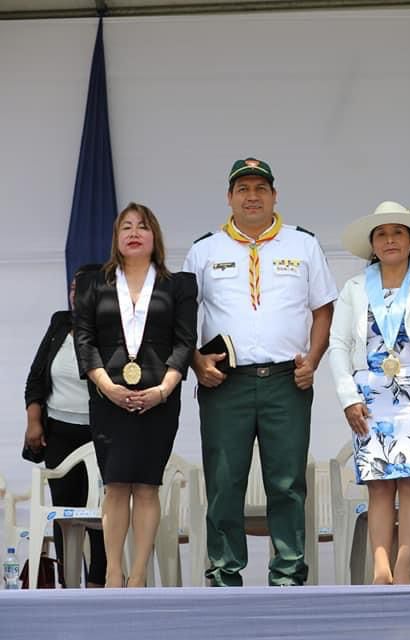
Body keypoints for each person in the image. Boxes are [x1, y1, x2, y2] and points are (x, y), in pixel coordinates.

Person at [183, 157, 338, 587]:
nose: (252, 197)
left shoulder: (302, 245)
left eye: (260, 189)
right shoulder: (204, 250)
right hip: (224, 384)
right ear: (229, 197)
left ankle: (288, 575)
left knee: (287, 483)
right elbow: (181, 317)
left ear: (274, 195)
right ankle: (223, 574)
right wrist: (196, 361)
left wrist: (313, 359)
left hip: (286, 381)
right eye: (243, 189)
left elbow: (324, 308)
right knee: (224, 482)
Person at [329, 201, 410, 584]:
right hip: (368, 394)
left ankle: (405, 568)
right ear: (372, 243)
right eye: (382, 234)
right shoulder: (354, 288)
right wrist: (348, 397)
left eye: (397, 233)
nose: (390, 240)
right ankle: (380, 568)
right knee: (379, 482)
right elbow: (338, 345)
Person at [73, 203, 198, 588]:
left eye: (142, 227)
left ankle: (139, 573)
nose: (134, 232)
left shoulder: (178, 284)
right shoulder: (95, 283)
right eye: (125, 227)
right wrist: (105, 384)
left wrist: (164, 389)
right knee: (115, 485)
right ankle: (113, 571)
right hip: (107, 396)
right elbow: (84, 338)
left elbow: (185, 340)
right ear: (116, 238)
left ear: (154, 237)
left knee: (146, 485)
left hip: (159, 397)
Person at [23, 262, 107, 588]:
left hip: (100, 433)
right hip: (58, 432)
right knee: (63, 515)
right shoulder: (60, 323)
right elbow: (36, 379)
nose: (75, 294)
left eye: (82, 288)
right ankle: (68, 584)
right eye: (73, 288)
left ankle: (100, 583)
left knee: (100, 514)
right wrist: (34, 422)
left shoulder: (115, 331)